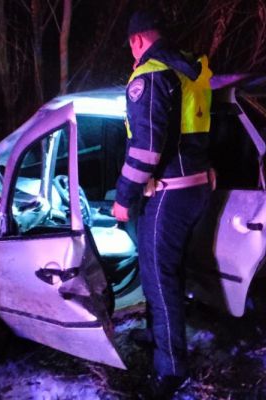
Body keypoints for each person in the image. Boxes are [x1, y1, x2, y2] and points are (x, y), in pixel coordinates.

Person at [111, 9, 214, 399]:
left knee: (157, 278)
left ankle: (171, 369)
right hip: (196, 186)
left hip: (170, 190)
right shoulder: (189, 69)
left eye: (130, 47)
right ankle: (158, 334)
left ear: (137, 40)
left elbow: (146, 148)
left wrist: (123, 198)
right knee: (167, 270)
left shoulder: (150, 75)